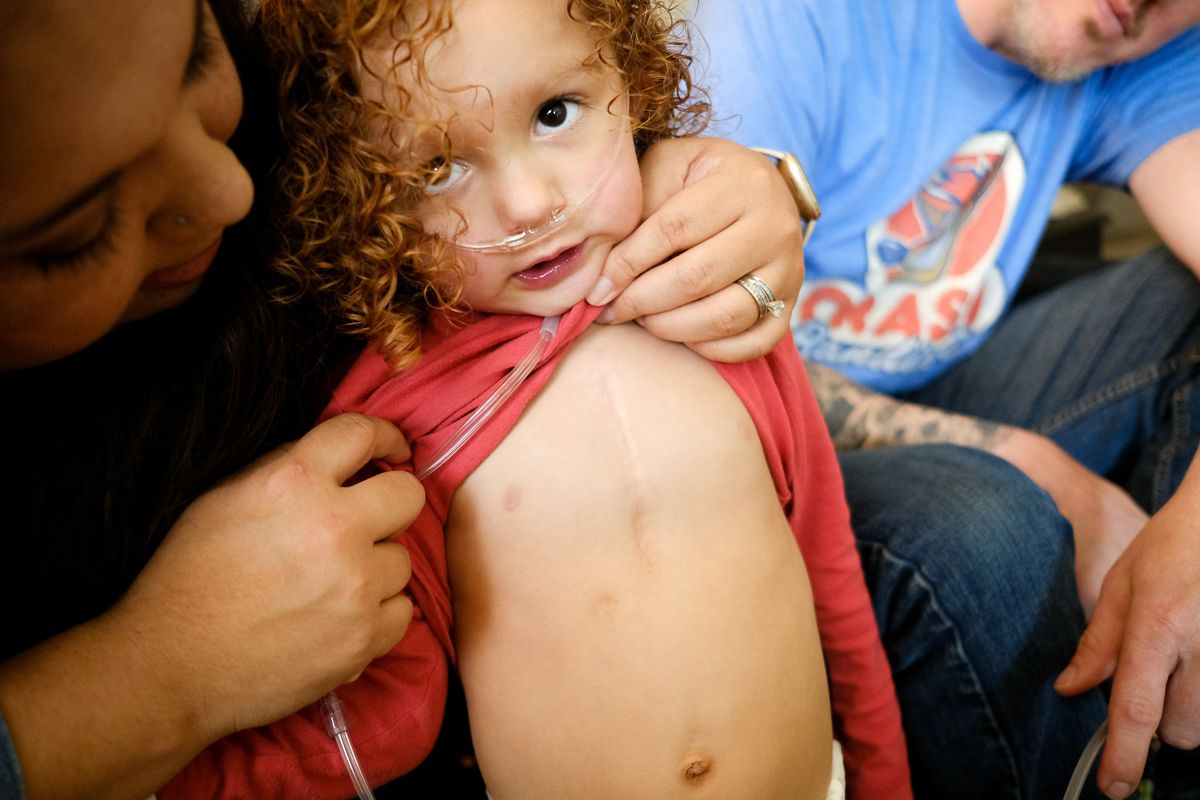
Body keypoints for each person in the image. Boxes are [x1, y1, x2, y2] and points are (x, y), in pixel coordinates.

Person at [0, 1, 814, 797]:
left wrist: (716, 185)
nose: (235, 195)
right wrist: (159, 676)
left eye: (196, 61)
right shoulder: (386, 434)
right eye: (82, 231)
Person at [694, 0, 1200, 797]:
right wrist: (1026, 461)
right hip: (770, 439)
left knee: (1184, 306)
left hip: (951, 382)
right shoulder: (791, 21)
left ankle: (1166, 726)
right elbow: (701, 360)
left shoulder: (1143, 45)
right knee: (987, 519)